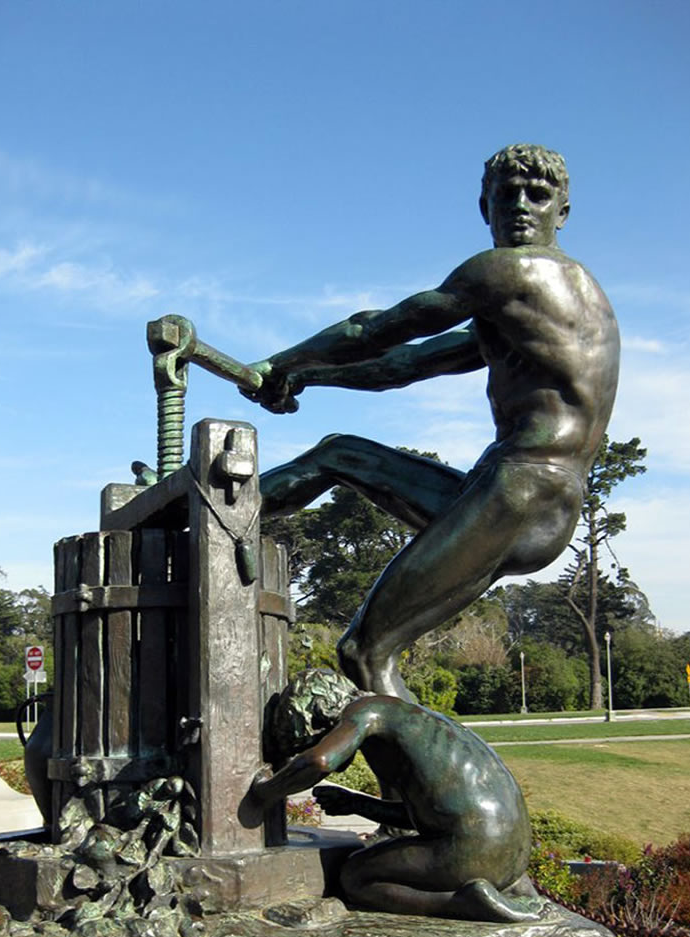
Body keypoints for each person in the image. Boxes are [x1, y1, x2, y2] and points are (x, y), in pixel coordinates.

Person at [242, 144, 620, 700]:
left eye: (536, 196)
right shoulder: (539, 306)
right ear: (484, 207)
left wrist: (280, 363)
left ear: (561, 212)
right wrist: (307, 378)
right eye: (505, 195)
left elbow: (378, 330)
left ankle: (431, 788)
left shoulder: (507, 271)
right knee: (339, 454)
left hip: (521, 490)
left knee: (365, 653)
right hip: (519, 494)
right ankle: (208, 513)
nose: (520, 206)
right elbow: (405, 365)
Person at [242, 668, 541, 923]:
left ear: (323, 716)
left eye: (314, 737)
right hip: (512, 854)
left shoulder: (366, 713)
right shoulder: (412, 719)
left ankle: (461, 903)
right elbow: (435, 814)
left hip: (472, 853)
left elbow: (319, 762)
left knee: (355, 877)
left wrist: (262, 792)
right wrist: (358, 804)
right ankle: (503, 889)